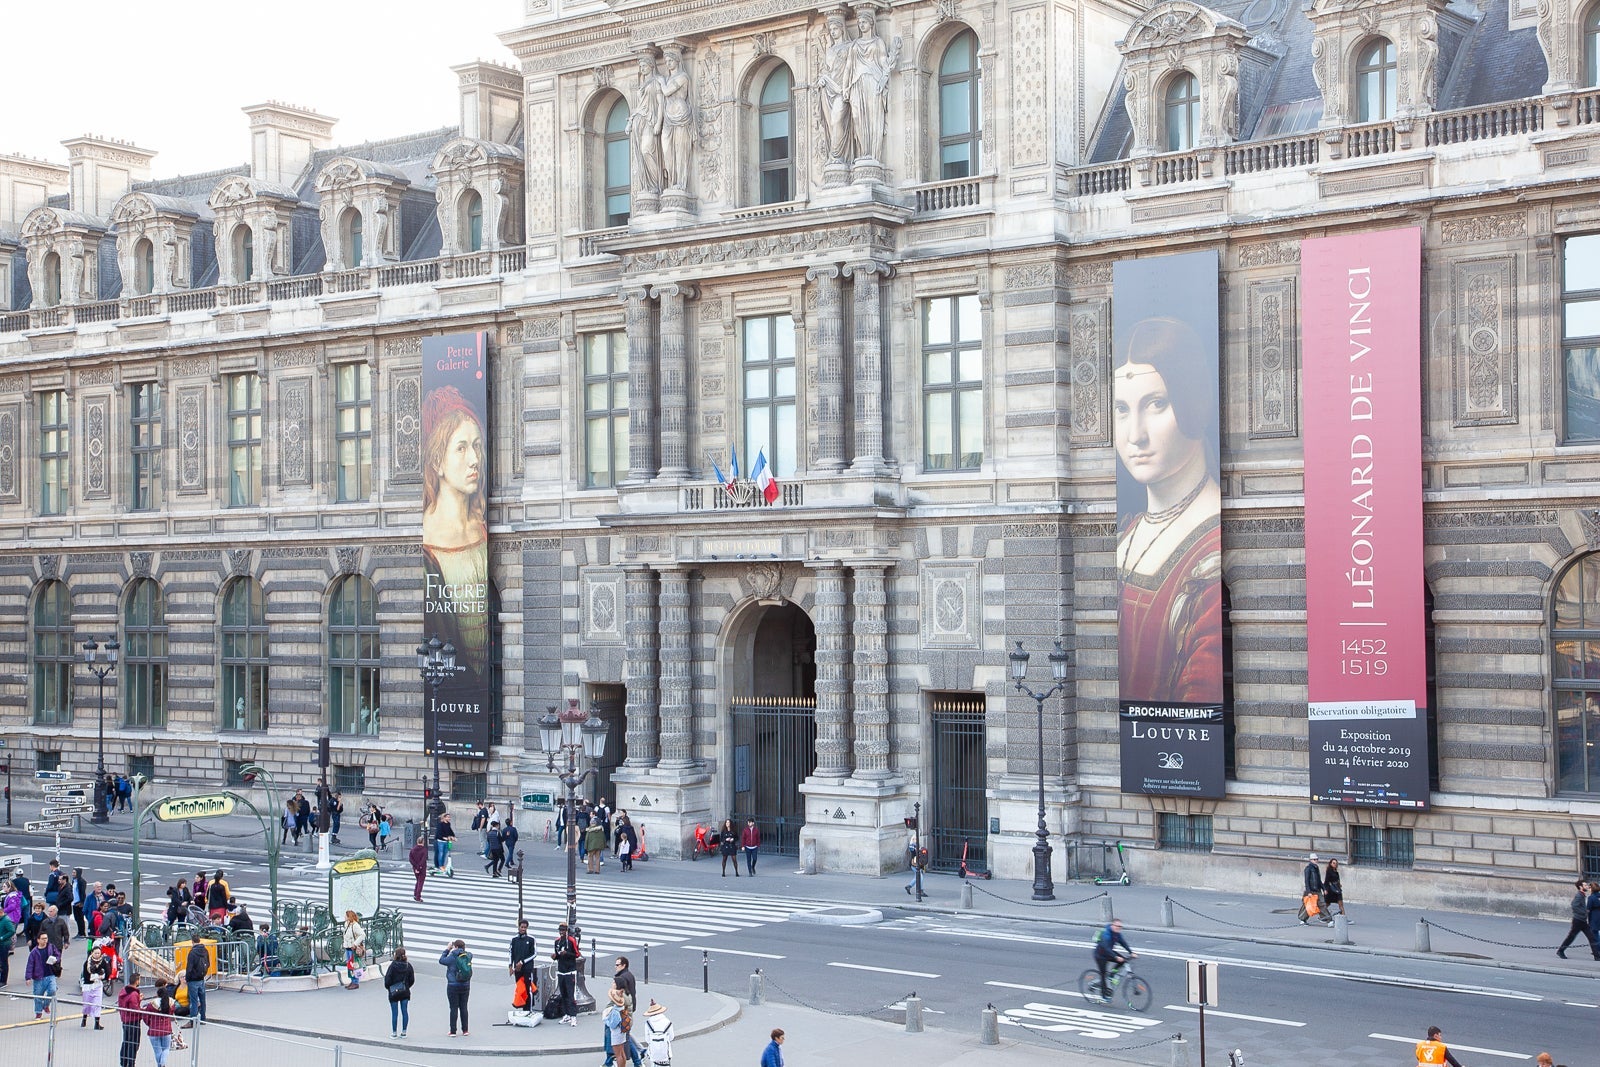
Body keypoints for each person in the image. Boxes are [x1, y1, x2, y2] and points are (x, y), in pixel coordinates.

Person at [1114, 316, 1223, 706]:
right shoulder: (1126, 534)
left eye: (1156, 404)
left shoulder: (1209, 553)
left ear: (1193, 401)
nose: (1135, 435)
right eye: (1122, 409)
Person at [422, 386, 492, 677]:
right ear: (437, 461)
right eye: (461, 448)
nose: (474, 459)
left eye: (477, 446)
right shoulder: (428, 545)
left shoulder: (483, 530)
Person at [1092, 919, 1134, 998]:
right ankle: (1104, 995)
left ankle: (1112, 974)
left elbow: (1123, 943)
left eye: (1120, 926)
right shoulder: (1106, 934)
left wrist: (1131, 952)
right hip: (1100, 955)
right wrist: (1115, 957)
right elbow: (1106, 948)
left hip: (1109, 953)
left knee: (1123, 961)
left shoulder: (1117, 934)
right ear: (1112, 926)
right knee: (1103, 975)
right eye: (1117, 926)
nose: (1119, 928)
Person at [440, 939, 473, 1035]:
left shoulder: (452, 957)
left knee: (453, 1008)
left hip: (453, 985)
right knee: (464, 1007)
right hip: (465, 985)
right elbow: (470, 954)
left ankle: (453, 1031)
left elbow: (441, 960)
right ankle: (465, 1030)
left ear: (456, 947)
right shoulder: (468, 956)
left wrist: (447, 949)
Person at [552, 921, 581, 1026]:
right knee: (563, 994)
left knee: (571, 994)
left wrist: (567, 953)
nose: (561, 932)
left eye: (563, 930)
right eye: (560, 930)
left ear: (567, 931)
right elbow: (558, 955)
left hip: (570, 971)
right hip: (561, 971)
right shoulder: (557, 942)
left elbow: (577, 954)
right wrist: (556, 956)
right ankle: (567, 1014)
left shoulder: (571, 941)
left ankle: (573, 1016)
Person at [384, 946, 415, 1038]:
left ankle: (394, 1033)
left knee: (394, 1013)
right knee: (404, 1011)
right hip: (405, 991)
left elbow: (387, 980)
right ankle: (404, 1032)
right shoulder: (408, 965)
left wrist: (389, 988)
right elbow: (412, 980)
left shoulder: (392, 966)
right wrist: (406, 986)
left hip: (393, 992)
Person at [26, 931, 59, 1018]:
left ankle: (46, 1005)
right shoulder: (34, 952)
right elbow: (30, 965)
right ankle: (38, 1012)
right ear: (38, 940)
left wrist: (56, 959)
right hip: (39, 977)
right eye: (43, 939)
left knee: (53, 990)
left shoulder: (51, 947)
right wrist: (28, 977)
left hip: (50, 974)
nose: (45, 940)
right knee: (38, 996)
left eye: (46, 938)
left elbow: (58, 955)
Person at [143, 982, 176, 1067]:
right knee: (166, 1049)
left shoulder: (151, 1004)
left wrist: (150, 1024)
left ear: (157, 994)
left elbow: (146, 1016)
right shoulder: (171, 1003)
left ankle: (160, 1065)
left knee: (157, 1051)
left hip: (154, 1031)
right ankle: (162, 1064)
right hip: (166, 1030)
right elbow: (171, 1014)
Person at [81, 944, 112, 1028]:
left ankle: (97, 1023)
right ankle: (84, 1019)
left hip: (98, 985)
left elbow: (108, 972)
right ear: (92, 953)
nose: (97, 955)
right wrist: (97, 975)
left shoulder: (103, 962)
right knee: (86, 1004)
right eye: (96, 953)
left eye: (99, 953)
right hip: (88, 986)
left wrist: (102, 976)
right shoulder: (87, 963)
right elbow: (86, 976)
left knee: (97, 1004)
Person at [118, 974, 144, 1067]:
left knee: (126, 1041)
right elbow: (135, 1009)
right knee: (134, 1043)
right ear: (137, 981)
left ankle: (123, 1062)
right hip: (133, 1021)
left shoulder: (124, 991)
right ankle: (131, 1063)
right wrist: (143, 1010)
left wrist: (139, 1000)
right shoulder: (134, 994)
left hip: (125, 1020)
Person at [183, 931, 209, 1023]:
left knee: (193, 1001)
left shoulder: (192, 953)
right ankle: (203, 1018)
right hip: (201, 978)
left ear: (192, 942)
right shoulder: (205, 950)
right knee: (202, 1000)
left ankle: (193, 1020)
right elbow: (208, 963)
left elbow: (189, 967)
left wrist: (187, 978)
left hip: (193, 980)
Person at [1298, 852, 1328, 924]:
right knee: (1308, 906)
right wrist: (1308, 892)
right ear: (1310, 860)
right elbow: (1307, 881)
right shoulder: (1308, 869)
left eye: (1317, 859)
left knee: (1322, 904)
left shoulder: (1316, 868)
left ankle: (1326, 918)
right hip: (1311, 890)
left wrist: (1324, 889)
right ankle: (1302, 919)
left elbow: (1319, 880)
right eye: (1314, 859)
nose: (1316, 861)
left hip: (1317, 890)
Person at [603, 987, 630, 1067]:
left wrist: (606, 1020)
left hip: (616, 1033)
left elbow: (613, 1024)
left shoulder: (615, 1011)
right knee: (622, 1052)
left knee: (618, 1055)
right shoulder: (622, 1008)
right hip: (622, 1032)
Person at [643, 1000, 674, 1066]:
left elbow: (647, 1039)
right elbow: (671, 1037)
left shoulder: (648, 1023)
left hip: (653, 1052)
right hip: (665, 1052)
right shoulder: (667, 1022)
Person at [509, 919, 539, 985]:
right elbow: (511, 953)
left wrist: (522, 962)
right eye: (522, 927)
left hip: (527, 968)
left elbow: (534, 954)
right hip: (518, 969)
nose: (523, 929)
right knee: (520, 989)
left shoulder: (531, 939)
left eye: (525, 927)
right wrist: (510, 966)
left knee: (528, 989)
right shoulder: (514, 939)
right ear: (519, 927)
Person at [343, 909, 367, 989]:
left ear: (349, 917)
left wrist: (355, 944)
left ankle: (355, 982)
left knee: (355, 965)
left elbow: (362, 935)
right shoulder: (347, 924)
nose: (344, 917)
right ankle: (352, 980)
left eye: (345, 915)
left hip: (353, 948)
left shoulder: (355, 925)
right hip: (348, 947)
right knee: (350, 965)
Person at [409, 837, 429, 903]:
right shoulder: (424, 850)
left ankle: (415, 894)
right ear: (423, 842)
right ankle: (418, 896)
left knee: (418, 881)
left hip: (415, 868)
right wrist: (419, 867)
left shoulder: (413, 849)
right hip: (422, 868)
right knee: (420, 882)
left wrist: (415, 867)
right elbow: (423, 860)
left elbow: (410, 859)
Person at [0, 898, 14, 986]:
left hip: (4, 944)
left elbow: (12, 931)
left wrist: (2, 937)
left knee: (3, 962)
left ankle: (3, 981)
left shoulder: (6, 920)